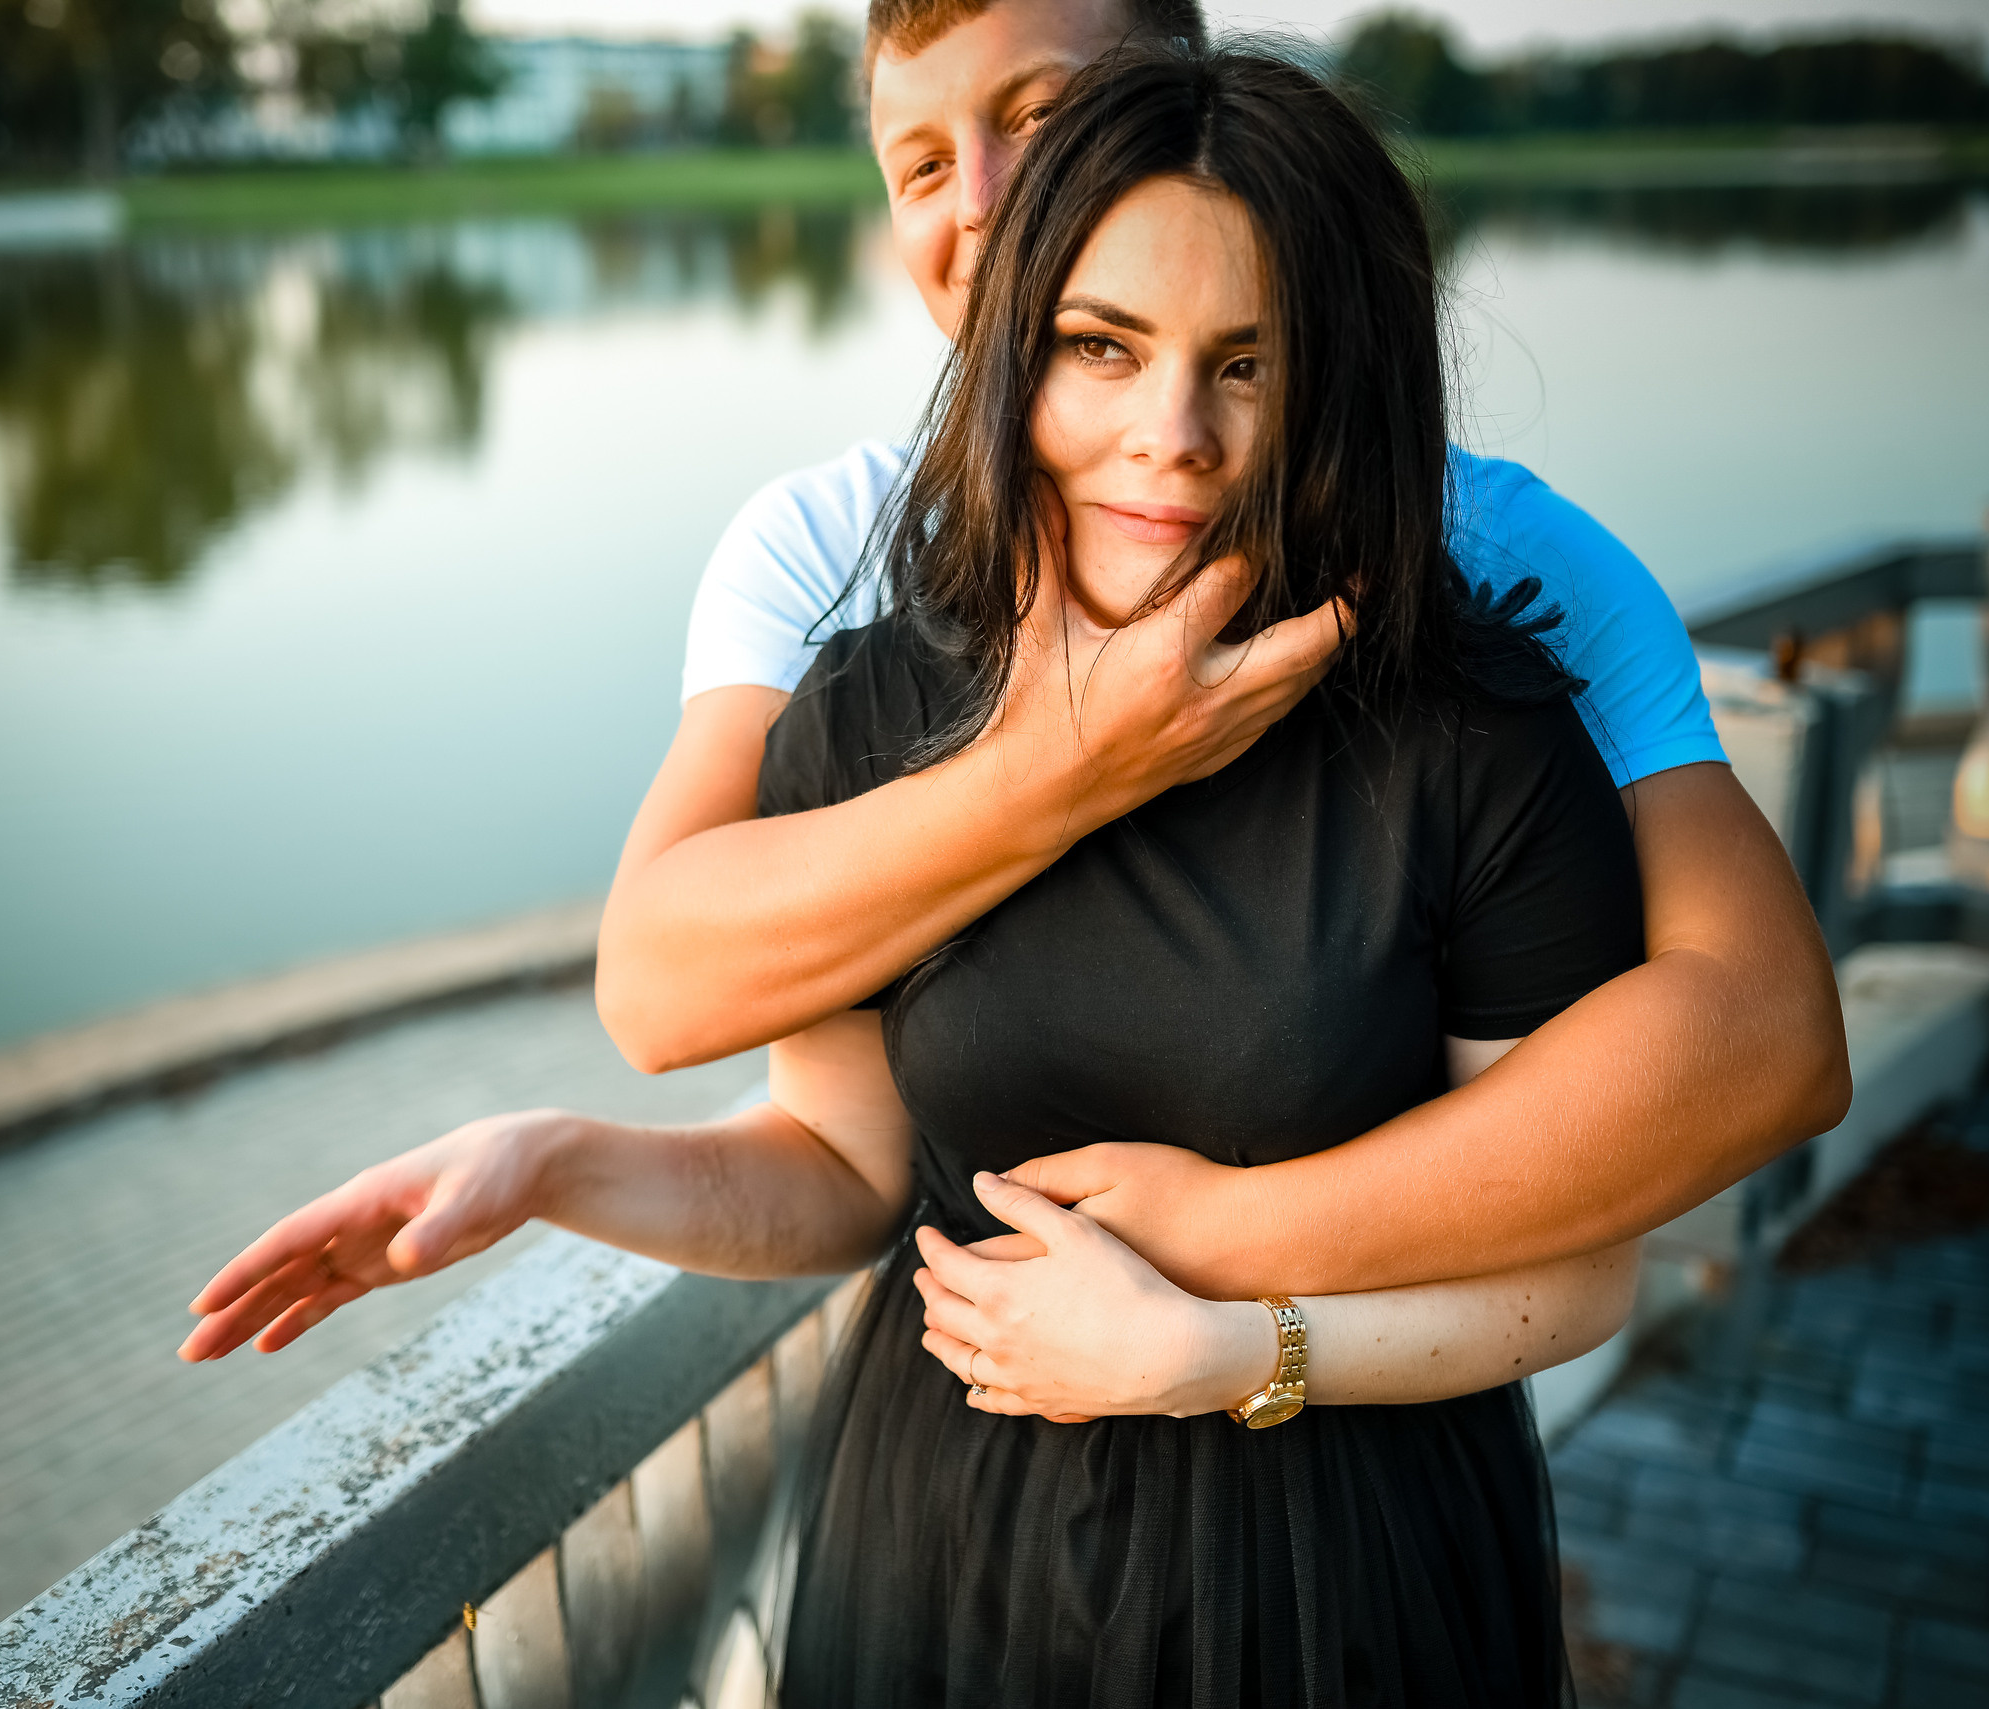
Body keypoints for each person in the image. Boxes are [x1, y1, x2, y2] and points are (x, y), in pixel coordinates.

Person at [189, 39, 1658, 1703]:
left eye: (1247, 366)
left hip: (1333, 1570)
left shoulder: (1481, 745)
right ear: (1015, 352)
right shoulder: (872, 711)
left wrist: (1233, 1352)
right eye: (1102, 351)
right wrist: (551, 1164)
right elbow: (840, 1169)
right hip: (944, 1556)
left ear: (1340, 386)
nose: (1168, 436)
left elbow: (1580, 1266)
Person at [593, 0, 1847, 1308]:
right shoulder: (827, 549)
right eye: (918, 163)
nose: (976, 205)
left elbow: (1762, 1034)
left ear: (1188, 109)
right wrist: (1065, 763)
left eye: (1038, 118)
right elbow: (661, 993)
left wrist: (1229, 1245)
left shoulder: (1502, 560)